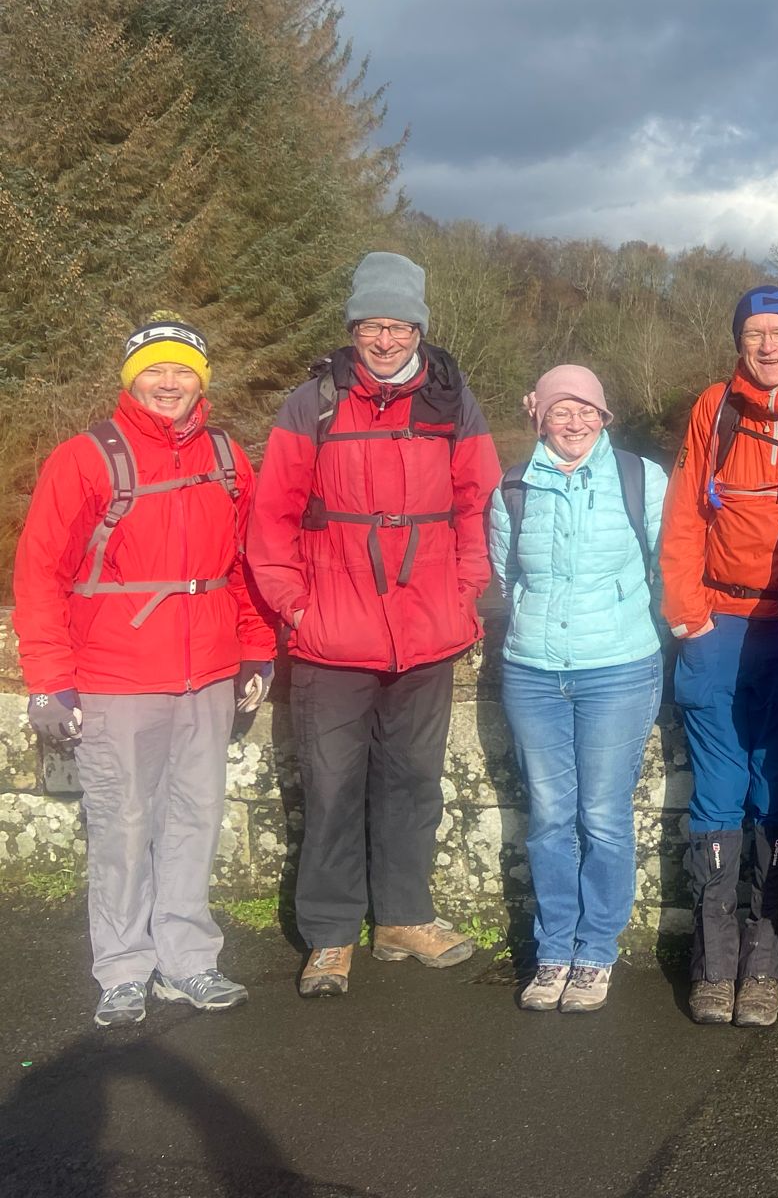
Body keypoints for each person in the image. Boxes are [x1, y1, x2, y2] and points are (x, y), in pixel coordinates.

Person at [248, 252, 501, 999]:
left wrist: (465, 594)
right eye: (370, 325)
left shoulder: (455, 402)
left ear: (419, 326)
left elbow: (478, 508)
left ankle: (402, 917)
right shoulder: (312, 404)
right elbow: (272, 520)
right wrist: (298, 608)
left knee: (413, 781)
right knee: (330, 786)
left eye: (397, 325)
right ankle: (330, 934)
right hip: (334, 635)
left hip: (428, 629)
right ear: (353, 328)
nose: (384, 340)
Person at [14, 314, 275, 1026]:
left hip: (209, 673)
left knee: (195, 819)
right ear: (132, 380)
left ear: (201, 381)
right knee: (125, 825)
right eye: (154, 370)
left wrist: (256, 648)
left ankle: (187, 961)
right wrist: (48, 677)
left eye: (183, 370)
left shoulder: (227, 456)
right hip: (115, 674)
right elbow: (40, 572)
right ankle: (125, 969)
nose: (169, 382)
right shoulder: (86, 457)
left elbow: (243, 566)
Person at [660, 285, 778, 1028]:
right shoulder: (715, 408)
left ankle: (763, 961)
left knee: (777, 786)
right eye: (753, 333)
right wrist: (687, 615)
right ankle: (715, 958)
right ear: (740, 342)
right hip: (721, 623)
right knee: (716, 790)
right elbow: (683, 513)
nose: (767, 345)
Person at [488, 365, 669, 1014]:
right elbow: (505, 577)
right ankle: (553, 949)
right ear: (539, 416)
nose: (574, 422)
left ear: (604, 416)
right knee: (550, 819)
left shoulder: (641, 479)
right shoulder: (512, 485)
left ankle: (595, 953)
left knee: (602, 816)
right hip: (533, 672)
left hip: (618, 668)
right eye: (561, 410)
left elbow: (664, 563)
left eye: (586, 410)